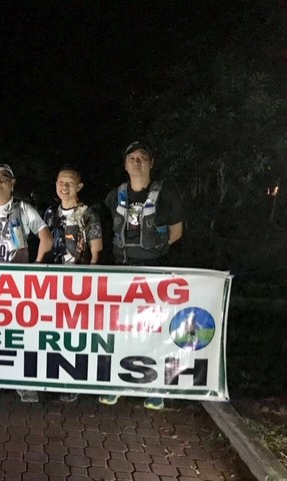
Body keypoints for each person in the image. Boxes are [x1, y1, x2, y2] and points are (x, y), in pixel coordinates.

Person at [99, 141, 183, 410]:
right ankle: (118, 383)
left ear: (151, 163)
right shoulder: (114, 196)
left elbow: (176, 232)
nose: (137, 162)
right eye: (132, 158)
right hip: (122, 272)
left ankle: (155, 388)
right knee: (122, 330)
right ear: (125, 165)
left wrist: (154, 252)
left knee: (154, 331)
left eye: (142, 157)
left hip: (155, 274)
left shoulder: (167, 194)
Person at [0, 163, 54, 403]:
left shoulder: (23, 208)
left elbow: (46, 238)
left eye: (3, 178)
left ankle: (24, 382)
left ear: (12, 183)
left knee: (20, 333)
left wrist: (37, 264)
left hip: (17, 284)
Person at [43, 164, 103, 402]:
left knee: (75, 334)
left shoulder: (88, 214)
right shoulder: (50, 213)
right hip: (52, 284)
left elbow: (96, 251)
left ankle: (72, 381)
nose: (64, 187)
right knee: (52, 332)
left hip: (78, 285)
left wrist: (90, 282)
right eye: (60, 182)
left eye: (69, 183)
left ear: (79, 186)